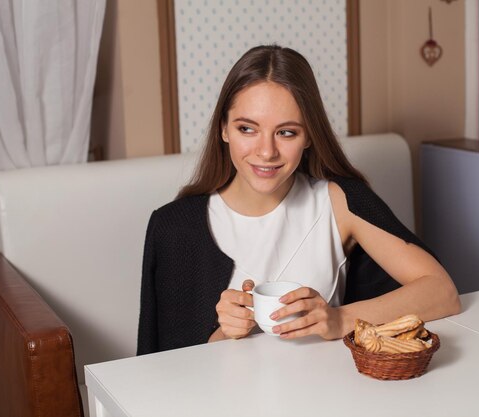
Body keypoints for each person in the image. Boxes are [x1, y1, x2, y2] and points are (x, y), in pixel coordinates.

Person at [136, 45, 460, 355]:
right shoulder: (175, 227)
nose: (266, 151)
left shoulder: (339, 202)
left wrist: (337, 319)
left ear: (308, 137)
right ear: (223, 129)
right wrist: (225, 333)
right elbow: (167, 370)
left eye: (286, 132)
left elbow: (442, 292)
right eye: (247, 129)